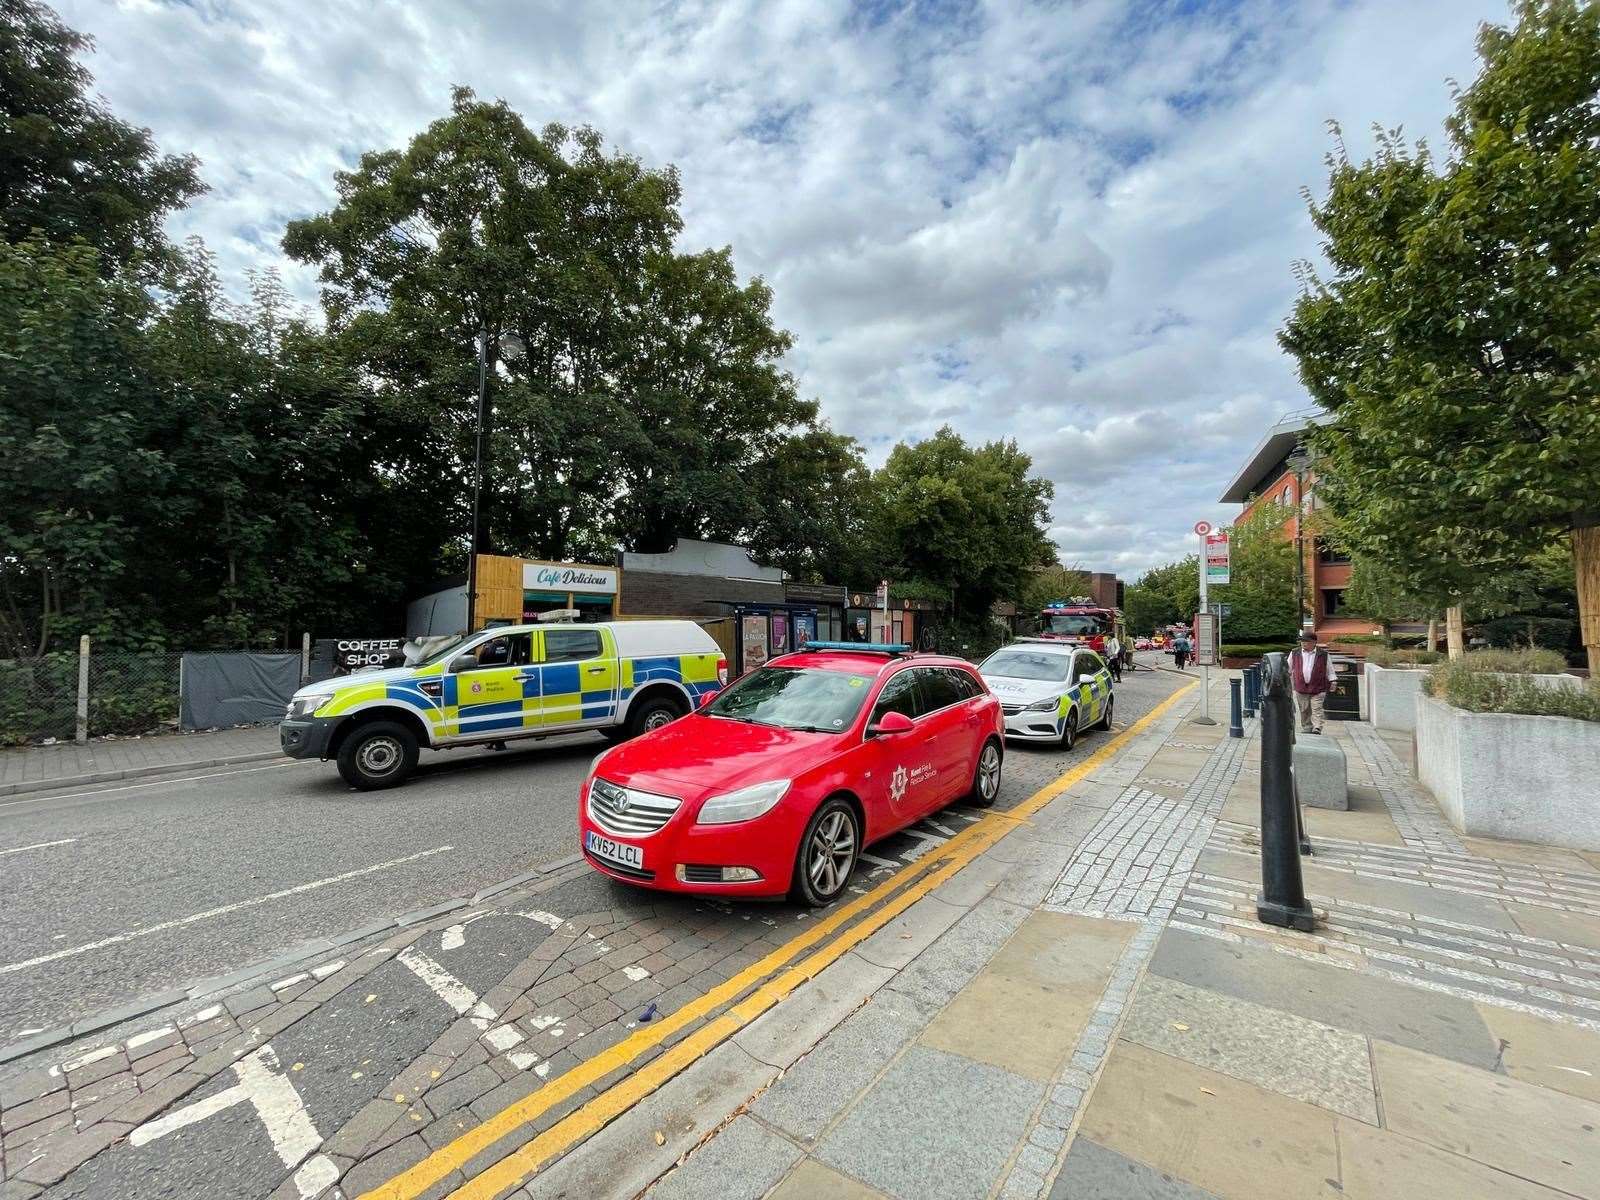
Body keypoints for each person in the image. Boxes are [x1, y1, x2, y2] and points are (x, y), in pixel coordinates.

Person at [1289, 629, 1333, 734]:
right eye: (1302, 641)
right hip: (1301, 687)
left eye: (1306, 641)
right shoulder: (1295, 653)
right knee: (1304, 710)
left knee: (1317, 708)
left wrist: (1333, 681)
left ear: (1314, 642)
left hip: (1318, 687)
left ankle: (1317, 727)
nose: (1303, 643)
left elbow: (1329, 669)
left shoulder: (1323, 654)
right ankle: (1307, 727)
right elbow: (1288, 668)